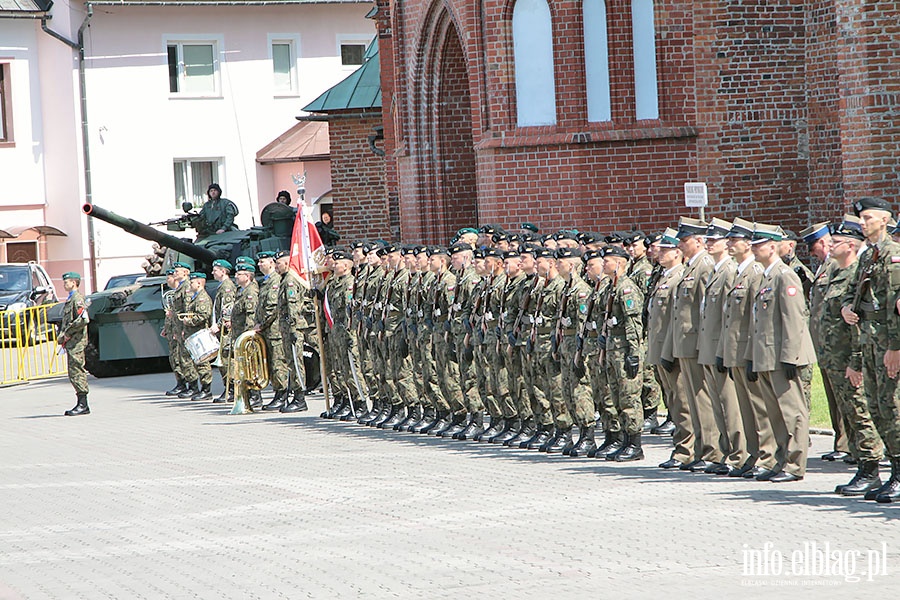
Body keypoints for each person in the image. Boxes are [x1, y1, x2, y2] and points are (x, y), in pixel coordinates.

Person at [745, 223, 816, 483]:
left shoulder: (785, 276)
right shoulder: (764, 276)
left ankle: (795, 465)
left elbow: (794, 319)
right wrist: (752, 357)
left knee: (792, 413)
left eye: (758, 244)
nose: (753, 248)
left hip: (782, 357)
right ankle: (778, 460)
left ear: (772, 247)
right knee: (773, 413)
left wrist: (791, 356)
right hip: (765, 356)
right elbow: (758, 322)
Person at [841, 197, 900, 503]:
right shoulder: (868, 257)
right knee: (877, 407)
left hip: (888, 343)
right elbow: (854, 293)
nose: (862, 223)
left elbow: (895, 306)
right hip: (869, 342)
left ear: (885, 221)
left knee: (893, 407)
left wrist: (895, 347)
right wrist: (846, 309)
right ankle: (894, 471)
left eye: (867, 217)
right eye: (861, 218)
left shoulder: (893, 255)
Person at [59, 272, 90, 416]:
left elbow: (83, 319)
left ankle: (83, 404)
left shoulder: (77, 298)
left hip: (76, 341)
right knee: (73, 371)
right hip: (72, 341)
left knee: (77, 370)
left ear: (74, 283)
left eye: (67, 282)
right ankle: (81, 402)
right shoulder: (71, 298)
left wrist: (68, 332)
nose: (65, 284)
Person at [180, 272, 214, 401]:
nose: (190, 284)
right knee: (197, 362)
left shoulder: (202, 298)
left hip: (200, 333)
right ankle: (199, 388)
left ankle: (206, 390)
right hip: (193, 333)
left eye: (192, 282)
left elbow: (203, 315)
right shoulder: (195, 297)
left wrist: (188, 321)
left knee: (202, 363)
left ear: (199, 283)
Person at [210, 259, 236, 403]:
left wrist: (219, 325)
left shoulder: (227, 287)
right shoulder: (222, 286)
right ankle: (228, 388)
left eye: (215, 270)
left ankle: (231, 389)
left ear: (223, 271)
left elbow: (227, 309)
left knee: (227, 361)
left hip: (226, 330)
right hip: (222, 329)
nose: (213, 272)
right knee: (224, 361)